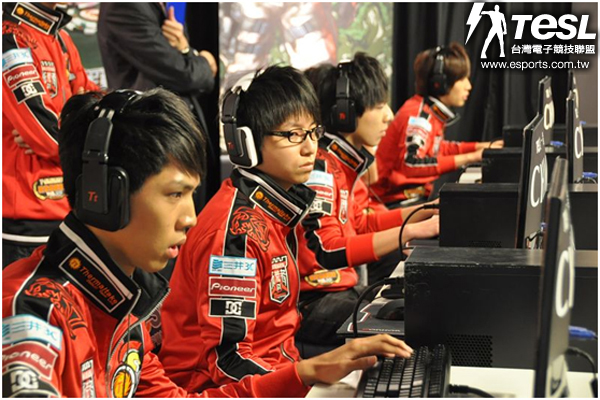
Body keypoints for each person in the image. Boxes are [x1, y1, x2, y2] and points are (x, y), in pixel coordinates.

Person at [2, 88, 412, 398]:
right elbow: (227, 358)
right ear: (103, 196)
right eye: (174, 194)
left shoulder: (124, 304)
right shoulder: (35, 314)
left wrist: (306, 373)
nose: (191, 218)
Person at [157, 65, 414, 392]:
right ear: (245, 144)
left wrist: (307, 373)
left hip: (279, 373)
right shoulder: (237, 235)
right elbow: (229, 362)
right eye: (293, 135)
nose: (310, 148)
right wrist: (308, 375)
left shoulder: (276, 212)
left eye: (313, 132)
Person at [296, 53, 440, 347]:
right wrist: (410, 230)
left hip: (338, 290)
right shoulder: (322, 168)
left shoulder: (340, 163)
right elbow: (328, 248)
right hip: (314, 301)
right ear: (345, 114)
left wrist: (423, 211)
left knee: (423, 301)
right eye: (378, 106)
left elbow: (361, 223)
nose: (389, 115)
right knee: (422, 318)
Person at [2, 2, 99, 268]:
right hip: (26, 216)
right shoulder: (10, 37)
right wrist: (82, 134)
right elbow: (44, 132)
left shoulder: (61, 37)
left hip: (69, 209)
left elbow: (96, 103)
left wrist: (74, 127)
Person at [97, 3, 220, 209]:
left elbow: (182, 62)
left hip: (174, 137)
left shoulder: (156, 6)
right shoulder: (124, 6)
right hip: (151, 142)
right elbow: (184, 74)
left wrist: (187, 50)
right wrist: (204, 62)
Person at [370, 42, 503, 207]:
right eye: (461, 79)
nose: (468, 86)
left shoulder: (427, 112)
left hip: (408, 199)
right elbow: (411, 163)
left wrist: (481, 147)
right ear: (440, 83)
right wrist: (472, 157)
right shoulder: (419, 116)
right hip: (393, 203)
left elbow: (437, 149)